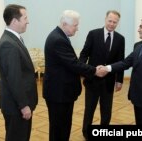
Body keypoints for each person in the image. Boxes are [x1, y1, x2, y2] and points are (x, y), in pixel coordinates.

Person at [97, 17, 142, 125]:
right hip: (138, 98)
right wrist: (106, 68)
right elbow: (125, 62)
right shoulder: (139, 47)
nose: (138, 29)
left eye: (141, 27)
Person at [43, 10, 100, 141]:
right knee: (59, 130)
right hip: (59, 94)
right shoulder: (58, 39)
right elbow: (73, 64)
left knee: (63, 127)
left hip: (62, 93)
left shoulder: (60, 36)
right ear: (64, 24)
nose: (77, 28)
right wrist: (95, 70)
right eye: (75, 25)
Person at [79, 10, 125, 139]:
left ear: (117, 23)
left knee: (106, 111)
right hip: (92, 80)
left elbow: (121, 61)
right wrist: (84, 71)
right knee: (89, 109)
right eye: (110, 21)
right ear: (105, 19)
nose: (111, 24)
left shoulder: (120, 39)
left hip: (109, 82)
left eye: (114, 22)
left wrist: (119, 80)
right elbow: (84, 54)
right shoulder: (93, 34)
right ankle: (86, 133)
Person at [0, 4, 38, 141]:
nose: (28, 21)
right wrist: (24, 105)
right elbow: (14, 78)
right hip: (16, 107)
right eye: (25, 18)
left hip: (18, 105)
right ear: (14, 21)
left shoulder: (14, 39)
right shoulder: (8, 44)